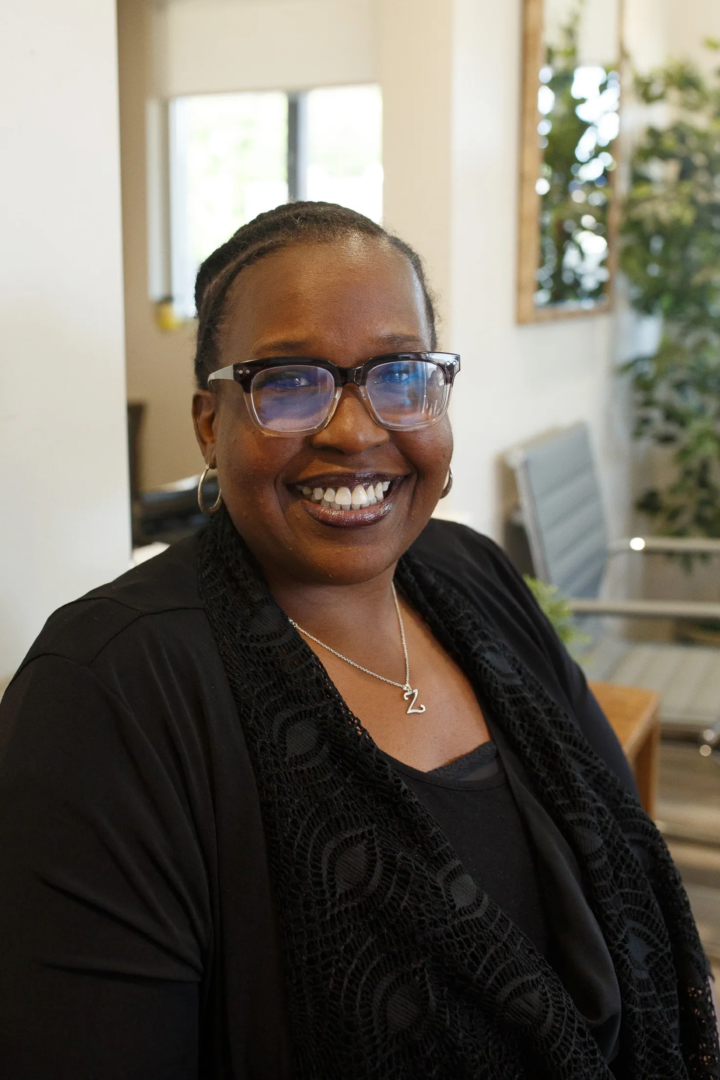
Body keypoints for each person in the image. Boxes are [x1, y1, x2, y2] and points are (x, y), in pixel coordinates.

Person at [0, 202, 717, 1080]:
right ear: (207, 424)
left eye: (400, 375)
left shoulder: (471, 576)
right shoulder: (108, 691)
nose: (354, 429)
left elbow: (625, 859)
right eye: (291, 381)